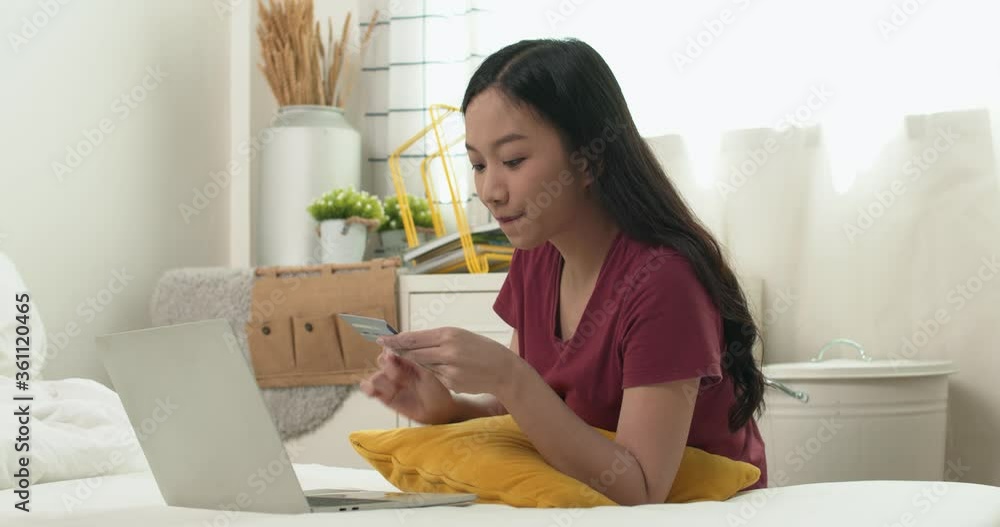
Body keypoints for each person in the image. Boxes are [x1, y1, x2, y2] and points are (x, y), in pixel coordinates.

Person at [360, 38, 767, 505]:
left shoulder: (664, 282)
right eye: (477, 163)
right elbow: (532, 415)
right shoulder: (537, 255)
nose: (489, 190)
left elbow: (641, 489)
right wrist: (448, 408)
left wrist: (508, 376)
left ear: (588, 159)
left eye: (513, 161)